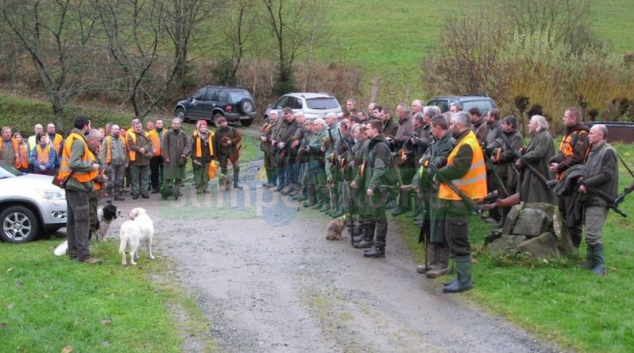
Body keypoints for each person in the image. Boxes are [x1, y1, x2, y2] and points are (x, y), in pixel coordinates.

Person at [435, 112, 487, 293]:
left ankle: (465, 280)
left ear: (459, 125)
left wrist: (438, 174)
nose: (449, 127)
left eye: (451, 124)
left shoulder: (467, 145)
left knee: (458, 238)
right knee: (453, 236)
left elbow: (458, 168)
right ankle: (460, 277)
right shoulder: (465, 141)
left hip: (461, 198)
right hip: (457, 197)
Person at [57, 115, 101, 264]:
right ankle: (84, 255)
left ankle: (73, 252)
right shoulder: (79, 142)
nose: (90, 126)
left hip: (71, 184)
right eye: (90, 124)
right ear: (85, 126)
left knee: (72, 221)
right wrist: (92, 167)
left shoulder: (71, 138)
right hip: (77, 185)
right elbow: (74, 163)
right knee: (82, 220)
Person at [417, 114, 455, 277]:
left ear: (438, 127)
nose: (430, 131)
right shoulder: (436, 141)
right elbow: (427, 158)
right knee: (430, 223)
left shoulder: (450, 142)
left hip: (443, 187)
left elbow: (441, 161)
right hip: (431, 187)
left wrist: (428, 160)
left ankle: (442, 264)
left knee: (440, 225)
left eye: (432, 127)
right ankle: (430, 261)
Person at [352, 119, 396, 258]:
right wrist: (358, 180)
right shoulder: (372, 145)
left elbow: (379, 168)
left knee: (380, 217)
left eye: (369, 128)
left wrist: (372, 185)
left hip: (378, 187)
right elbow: (365, 165)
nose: (366, 131)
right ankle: (372, 242)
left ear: (376, 130)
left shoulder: (381, 147)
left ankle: (379, 248)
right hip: (371, 184)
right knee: (373, 214)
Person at [578, 124, 618, 275]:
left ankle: (600, 266)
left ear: (601, 136)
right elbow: (591, 171)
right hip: (590, 197)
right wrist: (583, 178)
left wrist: (586, 184)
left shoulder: (608, 152)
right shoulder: (594, 151)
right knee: (589, 230)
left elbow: (607, 174)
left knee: (593, 233)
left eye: (592, 133)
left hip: (600, 197)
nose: (588, 135)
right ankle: (591, 261)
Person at [549, 107, 590, 248]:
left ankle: (574, 246)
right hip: (563, 179)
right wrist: (554, 160)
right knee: (562, 211)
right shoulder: (568, 133)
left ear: (573, 119)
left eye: (565, 116)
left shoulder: (582, 134)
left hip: (574, 179)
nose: (563, 119)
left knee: (573, 213)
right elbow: (564, 153)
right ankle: (564, 243)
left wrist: (559, 166)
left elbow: (578, 157)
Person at [516, 115, 556, 204]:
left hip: (540, 173)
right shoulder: (537, 136)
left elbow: (537, 153)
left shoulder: (544, 137)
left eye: (530, 123)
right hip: (534, 172)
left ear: (537, 125)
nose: (528, 125)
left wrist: (522, 159)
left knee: (538, 198)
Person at [271, 107, 298, 194]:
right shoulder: (282, 121)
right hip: (279, 146)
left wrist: (285, 143)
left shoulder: (295, 123)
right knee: (279, 165)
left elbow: (293, 135)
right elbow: (275, 131)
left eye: (289, 116)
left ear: (292, 114)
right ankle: (281, 184)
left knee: (288, 168)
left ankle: (288, 186)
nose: (287, 118)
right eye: (286, 117)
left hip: (288, 148)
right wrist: (273, 140)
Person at [213, 115, 242, 189]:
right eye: (221, 123)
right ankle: (226, 184)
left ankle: (236, 183)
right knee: (223, 169)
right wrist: (215, 155)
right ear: (219, 124)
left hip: (233, 152)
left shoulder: (233, 130)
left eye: (224, 122)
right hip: (222, 153)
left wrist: (231, 142)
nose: (223, 124)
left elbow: (239, 137)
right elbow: (215, 144)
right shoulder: (217, 133)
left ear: (226, 122)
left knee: (236, 167)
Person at [127, 120, 153, 199]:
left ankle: (144, 192)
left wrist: (144, 149)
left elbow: (150, 143)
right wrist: (139, 149)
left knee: (145, 177)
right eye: (137, 127)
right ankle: (136, 192)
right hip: (135, 160)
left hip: (145, 159)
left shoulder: (147, 134)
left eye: (140, 127)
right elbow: (131, 145)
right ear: (133, 127)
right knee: (135, 177)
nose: (138, 128)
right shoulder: (130, 135)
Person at [162, 118, 190, 191]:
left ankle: (176, 191)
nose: (176, 125)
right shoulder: (168, 133)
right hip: (170, 158)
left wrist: (184, 154)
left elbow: (188, 146)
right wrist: (166, 157)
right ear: (172, 124)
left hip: (180, 158)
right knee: (168, 175)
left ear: (180, 125)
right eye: (175, 123)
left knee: (179, 176)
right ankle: (165, 190)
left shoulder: (183, 134)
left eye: (178, 124)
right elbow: (164, 146)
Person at [101, 124, 128, 201]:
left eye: (118, 129)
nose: (117, 130)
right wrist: (104, 164)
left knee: (119, 180)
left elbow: (126, 151)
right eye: (115, 129)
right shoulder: (107, 139)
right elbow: (103, 153)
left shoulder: (122, 139)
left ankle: (117, 195)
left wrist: (126, 161)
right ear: (111, 130)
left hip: (121, 163)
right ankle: (110, 196)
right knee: (110, 180)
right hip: (110, 163)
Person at [191, 120, 215, 194]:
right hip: (199, 158)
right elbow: (193, 148)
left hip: (208, 158)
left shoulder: (211, 135)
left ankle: (204, 187)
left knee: (206, 174)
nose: (203, 128)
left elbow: (214, 147)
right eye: (202, 127)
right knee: (198, 174)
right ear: (199, 128)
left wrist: (214, 157)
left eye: (205, 127)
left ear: (207, 128)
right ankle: (199, 188)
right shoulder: (195, 136)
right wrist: (194, 158)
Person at [261, 110, 279, 188]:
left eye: (274, 114)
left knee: (273, 165)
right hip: (265, 147)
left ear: (277, 115)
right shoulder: (266, 123)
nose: (272, 116)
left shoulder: (278, 124)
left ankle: (274, 182)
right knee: (267, 164)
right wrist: (261, 137)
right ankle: (269, 181)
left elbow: (276, 135)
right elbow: (261, 132)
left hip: (273, 147)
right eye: (271, 114)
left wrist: (267, 138)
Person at [147, 119, 165, 193]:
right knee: (154, 171)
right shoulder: (150, 133)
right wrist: (152, 150)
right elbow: (148, 143)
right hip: (154, 155)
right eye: (158, 123)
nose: (160, 124)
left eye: (161, 123)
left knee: (165, 171)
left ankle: (164, 185)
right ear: (155, 124)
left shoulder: (166, 132)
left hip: (164, 154)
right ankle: (155, 186)